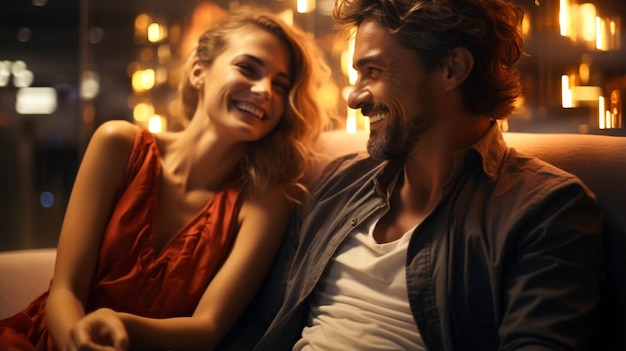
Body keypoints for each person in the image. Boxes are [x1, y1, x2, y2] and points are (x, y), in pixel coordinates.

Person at [217, 0, 606, 350]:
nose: (354, 97)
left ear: (452, 68)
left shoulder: (547, 211)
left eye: (373, 70)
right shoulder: (338, 183)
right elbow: (262, 325)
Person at [0, 7, 334, 351]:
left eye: (280, 85)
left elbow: (207, 329)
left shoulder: (266, 198)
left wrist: (119, 326)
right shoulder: (117, 143)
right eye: (247, 68)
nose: (265, 90)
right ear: (198, 70)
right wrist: (76, 338)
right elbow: (66, 289)